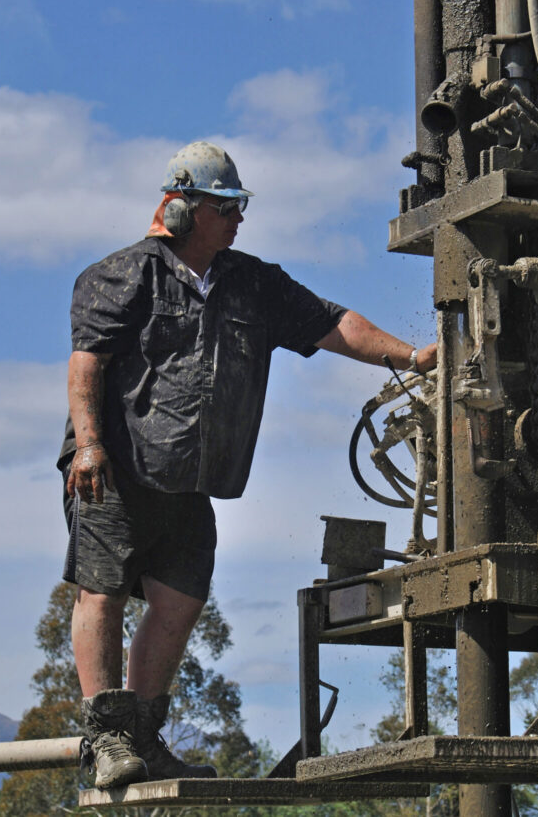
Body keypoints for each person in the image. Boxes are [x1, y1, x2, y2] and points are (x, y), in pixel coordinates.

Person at [59, 141, 437, 789]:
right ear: (184, 210)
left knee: (179, 601)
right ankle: (106, 739)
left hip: (188, 480)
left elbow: (331, 323)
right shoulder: (121, 276)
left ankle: (144, 736)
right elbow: (85, 365)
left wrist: (411, 358)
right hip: (114, 471)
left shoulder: (252, 284)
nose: (238, 219)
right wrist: (89, 445)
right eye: (226, 207)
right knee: (104, 590)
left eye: (239, 207)